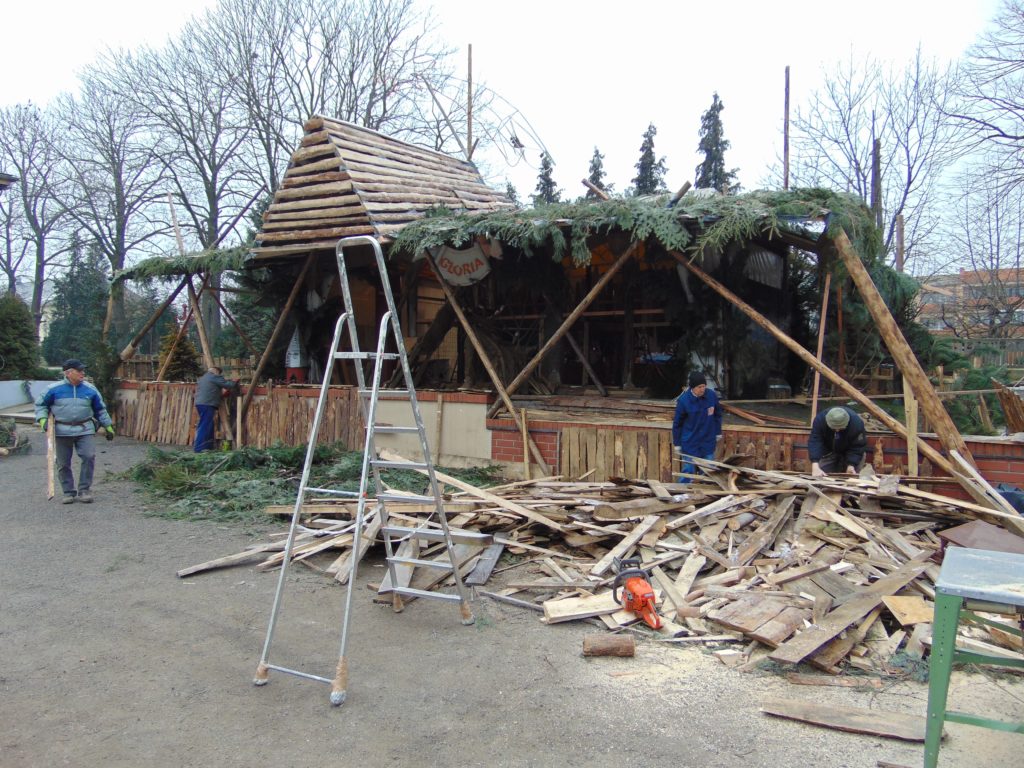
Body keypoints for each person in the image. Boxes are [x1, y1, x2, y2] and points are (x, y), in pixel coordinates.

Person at [34, 358, 114, 504]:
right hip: (61, 430)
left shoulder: (90, 389)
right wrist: (43, 420)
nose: (83, 373)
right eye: (80, 370)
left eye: (83, 370)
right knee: (63, 463)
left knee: (88, 456)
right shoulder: (53, 389)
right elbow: (40, 406)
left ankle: (84, 490)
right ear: (68, 373)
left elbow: (100, 409)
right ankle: (68, 492)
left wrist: (108, 425)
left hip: (85, 429)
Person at [672, 371, 722, 482]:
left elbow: (718, 414)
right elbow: (677, 424)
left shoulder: (711, 396)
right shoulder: (684, 401)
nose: (702, 389)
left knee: (708, 470)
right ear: (692, 387)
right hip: (690, 441)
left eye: (704, 386)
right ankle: (682, 493)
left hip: (707, 440)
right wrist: (677, 443)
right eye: (699, 387)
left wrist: (718, 432)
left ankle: (707, 494)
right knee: (688, 470)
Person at [808, 406, 868, 477]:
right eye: (834, 428)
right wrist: (815, 464)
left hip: (850, 451)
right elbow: (815, 441)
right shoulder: (820, 420)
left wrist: (851, 465)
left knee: (853, 475)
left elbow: (858, 446)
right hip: (828, 451)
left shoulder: (857, 423)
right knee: (821, 475)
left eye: (841, 428)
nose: (837, 430)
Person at [194, 366, 240, 452]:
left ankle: (207, 446)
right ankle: (199, 448)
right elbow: (228, 385)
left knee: (208, 425)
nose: (220, 375)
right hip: (207, 403)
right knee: (205, 425)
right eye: (219, 373)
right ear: (216, 371)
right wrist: (234, 381)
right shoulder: (214, 376)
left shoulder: (203, 378)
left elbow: (211, 390)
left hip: (200, 403)